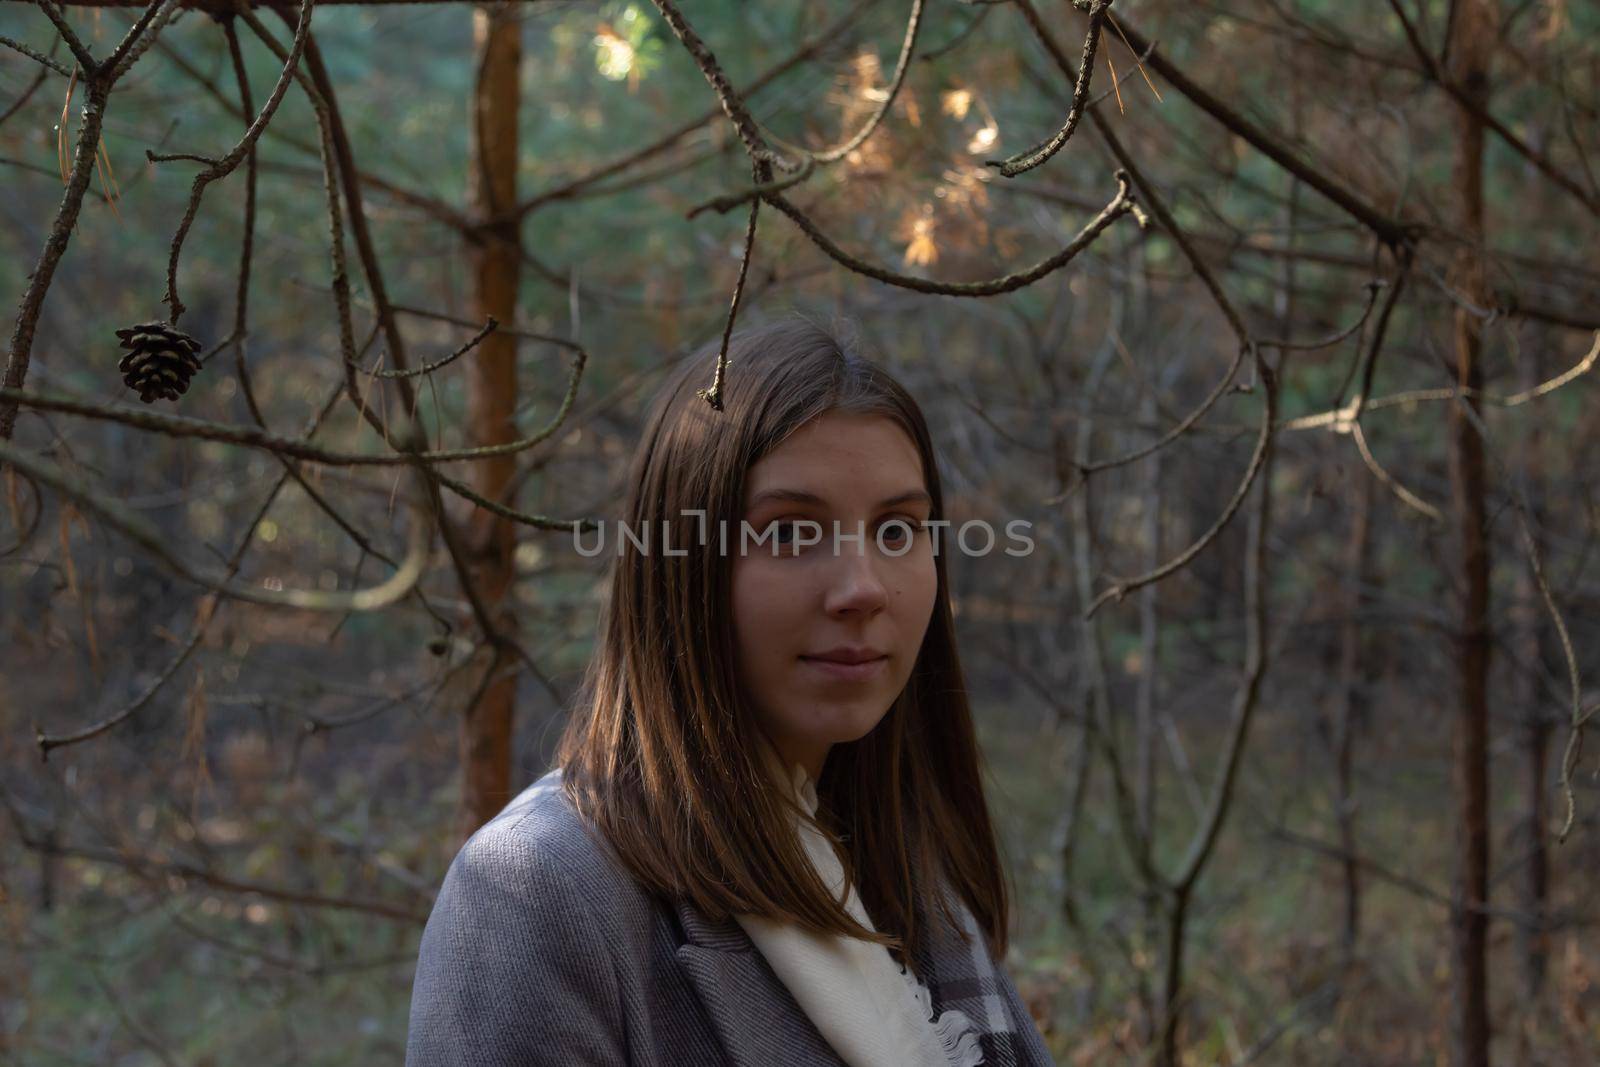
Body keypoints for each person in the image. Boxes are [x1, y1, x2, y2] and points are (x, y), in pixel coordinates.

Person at [405, 317, 1056, 1066]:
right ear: (680, 573)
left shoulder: (909, 874)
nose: (863, 588)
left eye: (898, 529)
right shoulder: (538, 895)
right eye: (789, 533)